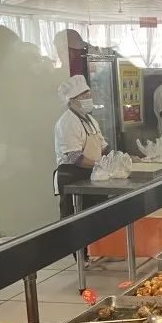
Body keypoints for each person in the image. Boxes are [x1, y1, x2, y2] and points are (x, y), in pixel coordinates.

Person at [53, 74, 108, 220]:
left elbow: (103, 147)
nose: (89, 98)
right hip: (73, 179)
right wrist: (101, 165)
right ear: (72, 100)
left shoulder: (90, 120)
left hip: (91, 176)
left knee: (96, 220)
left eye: (89, 95)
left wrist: (119, 159)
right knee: (75, 222)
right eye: (84, 96)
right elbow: (75, 157)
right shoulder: (67, 122)